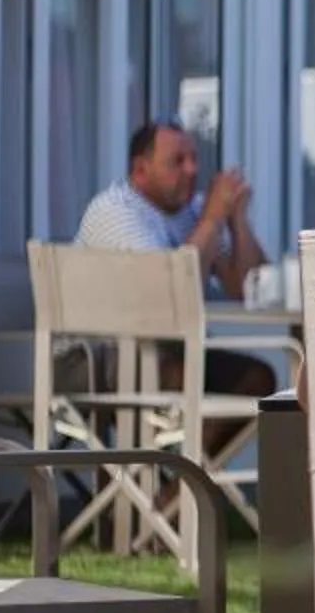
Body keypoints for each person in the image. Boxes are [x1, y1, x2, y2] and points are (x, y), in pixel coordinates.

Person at [76, 120, 277, 408]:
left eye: (194, 159)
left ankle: (187, 454)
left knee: (256, 379)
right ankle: (175, 452)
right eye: (177, 162)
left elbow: (247, 287)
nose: (192, 170)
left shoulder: (190, 210)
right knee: (191, 375)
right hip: (99, 354)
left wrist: (237, 221)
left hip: (161, 349)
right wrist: (212, 220)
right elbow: (166, 297)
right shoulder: (116, 210)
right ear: (141, 170)